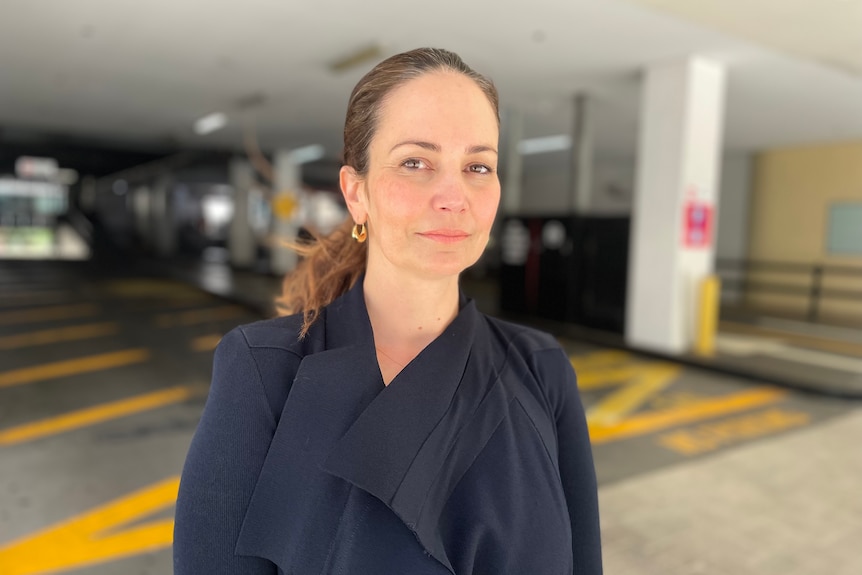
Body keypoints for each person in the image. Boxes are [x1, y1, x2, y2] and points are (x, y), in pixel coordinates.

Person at [173, 47, 602, 575]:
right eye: (415, 162)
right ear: (357, 193)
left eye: (477, 166)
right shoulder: (263, 370)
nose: (453, 195)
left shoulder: (542, 367)